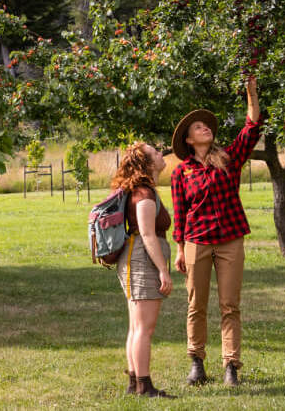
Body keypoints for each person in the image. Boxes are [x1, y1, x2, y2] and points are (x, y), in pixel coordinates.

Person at [170, 76, 263, 387]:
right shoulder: (181, 172)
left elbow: (251, 128)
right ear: (188, 140)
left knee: (229, 304)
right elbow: (180, 213)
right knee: (196, 305)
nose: (205, 128)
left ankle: (230, 367)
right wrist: (180, 249)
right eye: (198, 127)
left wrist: (251, 92)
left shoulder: (228, 159)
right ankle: (196, 363)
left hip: (230, 240)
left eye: (206, 126)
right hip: (196, 242)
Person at [103, 141, 176, 398]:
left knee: (137, 327)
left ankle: (135, 383)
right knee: (144, 328)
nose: (161, 154)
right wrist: (162, 271)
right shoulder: (143, 194)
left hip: (136, 258)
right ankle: (144, 386)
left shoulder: (143, 191)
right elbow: (147, 234)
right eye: (155, 152)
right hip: (141, 260)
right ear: (145, 163)